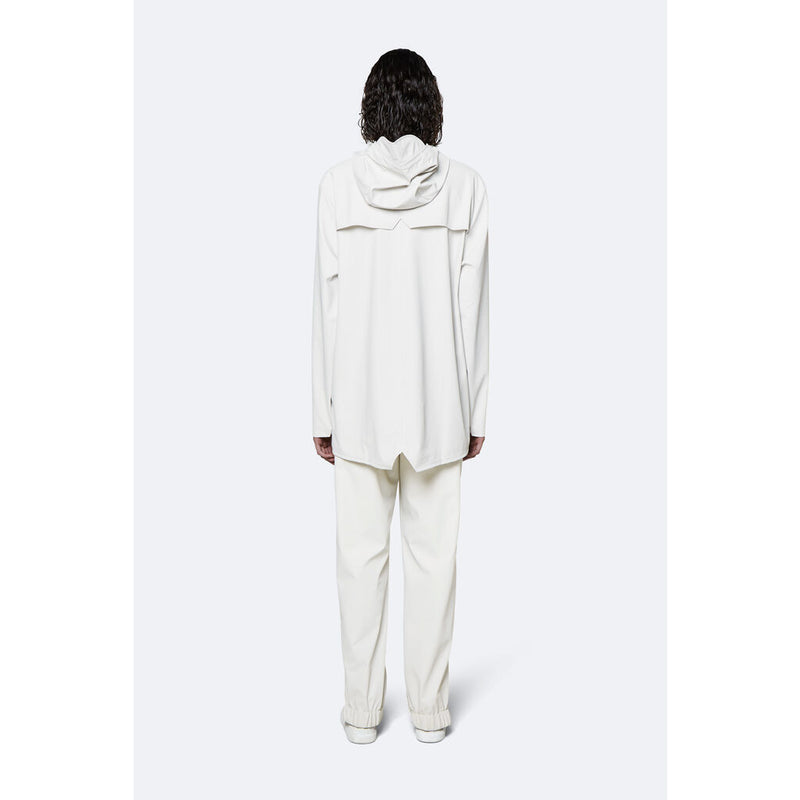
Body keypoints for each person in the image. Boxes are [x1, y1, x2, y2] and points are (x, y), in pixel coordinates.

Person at [311, 48, 490, 744]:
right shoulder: (466, 188)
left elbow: (325, 307)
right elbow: (474, 310)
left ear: (371, 109)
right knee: (433, 564)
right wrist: (475, 410)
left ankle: (361, 715)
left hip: (357, 406)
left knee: (359, 566)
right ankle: (429, 714)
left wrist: (321, 408)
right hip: (439, 406)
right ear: (431, 107)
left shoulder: (337, 186)